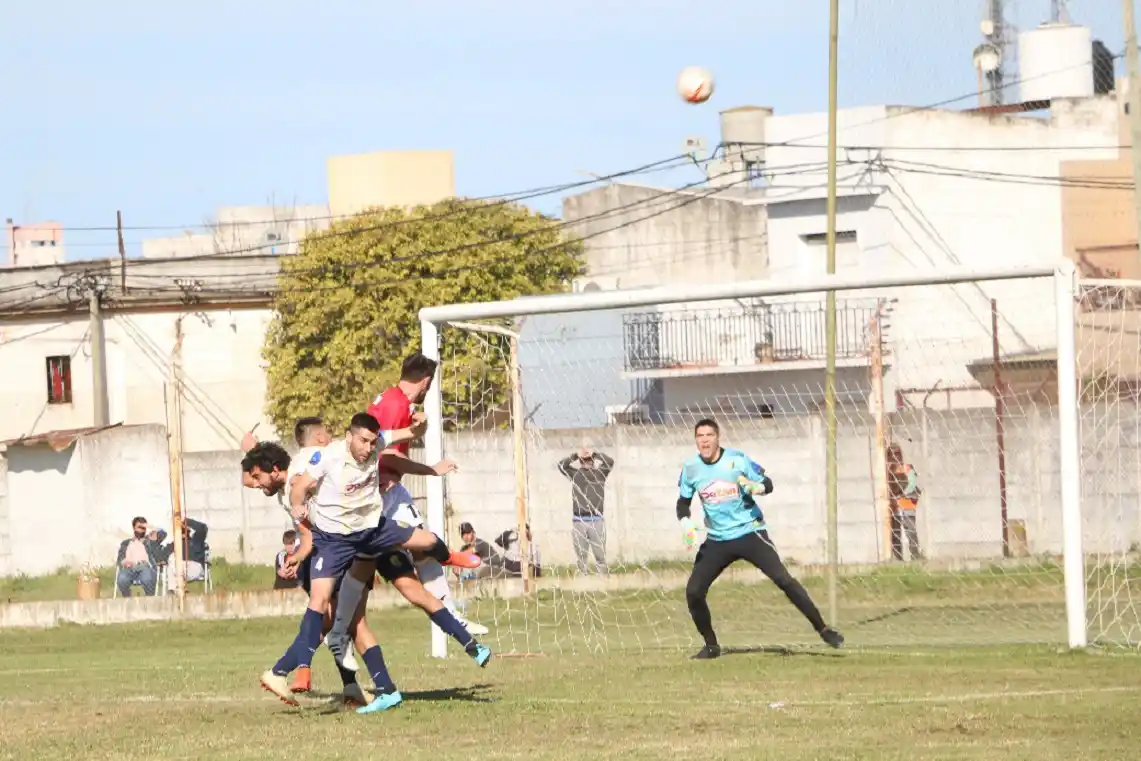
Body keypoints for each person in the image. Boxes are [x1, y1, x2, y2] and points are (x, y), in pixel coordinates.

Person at [255, 412, 484, 705]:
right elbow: (301, 486)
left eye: (256, 479)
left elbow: (396, 438)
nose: (367, 446)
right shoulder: (319, 457)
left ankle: (310, 676)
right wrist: (299, 505)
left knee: (353, 615)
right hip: (341, 541)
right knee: (352, 616)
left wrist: (419, 436)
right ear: (325, 437)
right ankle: (304, 673)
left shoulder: (359, 447)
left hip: (370, 532)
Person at [242, 439, 401, 708]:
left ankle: (342, 685)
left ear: (275, 468)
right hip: (331, 552)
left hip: (342, 545)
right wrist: (298, 557)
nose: (256, 484)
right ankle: (379, 688)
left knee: (339, 621)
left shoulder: (302, 468)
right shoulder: (287, 494)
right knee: (350, 621)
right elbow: (308, 535)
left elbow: (323, 475)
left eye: (257, 477)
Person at [677, 418, 844, 659]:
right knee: (693, 591)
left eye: (709, 435)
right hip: (717, 540)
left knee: (783, 579)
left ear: (718, 437)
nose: (704, 440)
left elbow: (768, 483)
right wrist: (685, 523)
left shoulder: (737, 459)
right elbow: (682, 502)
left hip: (749, 532)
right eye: (700, 436)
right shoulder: (691, 468)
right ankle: (711, 646)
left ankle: (824, 630)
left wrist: (757, 488)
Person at [362, 351, 489, 635]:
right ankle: (449, 574)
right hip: (382, 494)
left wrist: (420, 425)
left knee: (423, 548)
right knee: (371, 571)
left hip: (388, 490)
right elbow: (390, 455)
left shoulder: (393, 399)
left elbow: (397, 439)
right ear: (426, 381)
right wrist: (432, 470)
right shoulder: (397, 405)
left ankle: (451, 614)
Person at [557, 447, 615, 575]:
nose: (587, 461)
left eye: (589, 459)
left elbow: (610, 462)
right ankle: (583, 584)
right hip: (579, 521)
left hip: (597, 520)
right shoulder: (576, 474)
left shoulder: (601, 473)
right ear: (581, 461)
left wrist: (595, 453)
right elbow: (561, 466)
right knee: (581, 557)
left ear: (593, 460)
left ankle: (603, 581)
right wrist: (575, 456)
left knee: (600, 556)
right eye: (585, 459)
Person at [887, 443, 923, 561]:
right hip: (894, 503)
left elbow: (912, 484)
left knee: (910, 529)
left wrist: (902, 496)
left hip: (906, 501)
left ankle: (915, 555)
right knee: (895, 532)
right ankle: (898, 558)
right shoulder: (886, 471)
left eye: (897, 454)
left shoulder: (907, 468)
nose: (894, 457)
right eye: (891, 454)